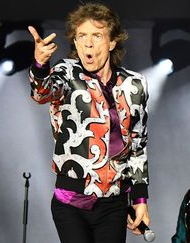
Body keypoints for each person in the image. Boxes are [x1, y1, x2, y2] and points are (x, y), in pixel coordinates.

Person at [26, 2, 150, 243]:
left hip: (113, 203)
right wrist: (40, 64)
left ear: (112, 41)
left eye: (96, 35)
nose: (88, 43)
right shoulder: (67, 72)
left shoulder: (135, 84)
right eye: (81, 36)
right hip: (71, 202)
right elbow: (41, 93)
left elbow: (138, 146)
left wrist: (140, 201)